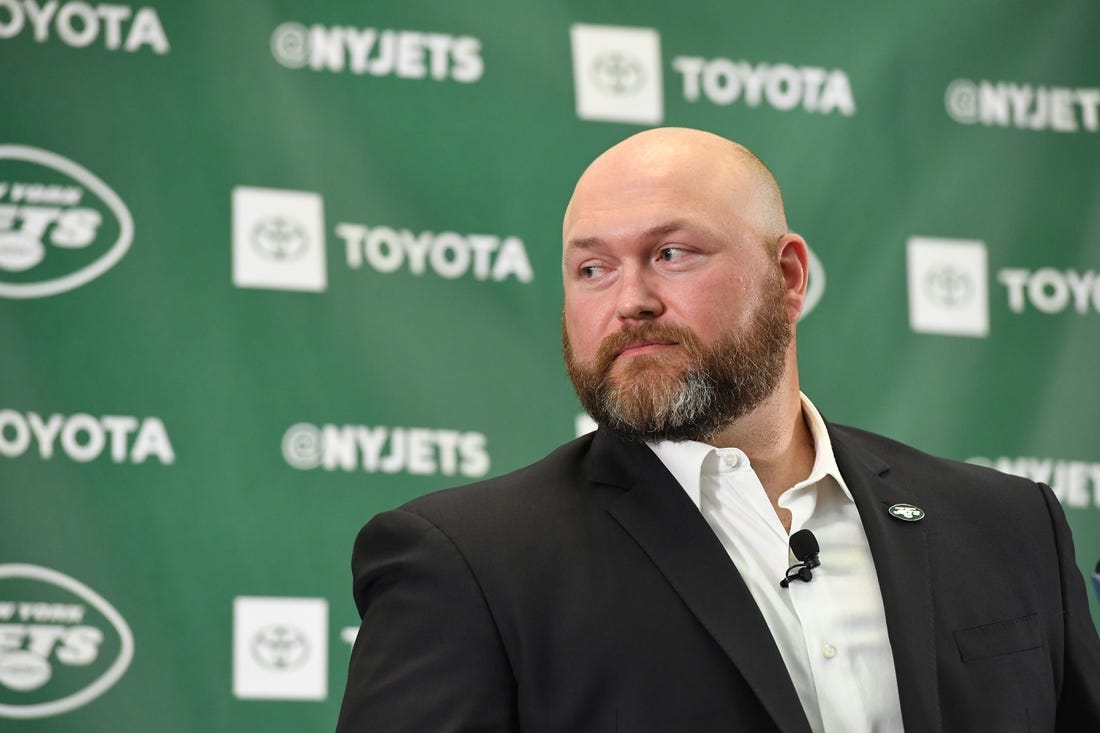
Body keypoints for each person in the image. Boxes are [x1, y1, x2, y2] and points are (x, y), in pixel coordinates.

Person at [336, 127, 1100, 732]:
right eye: (592, 269)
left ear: (790, 275)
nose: (630, 299)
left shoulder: (1010, 526)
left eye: (671, 254)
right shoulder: (466, 565)